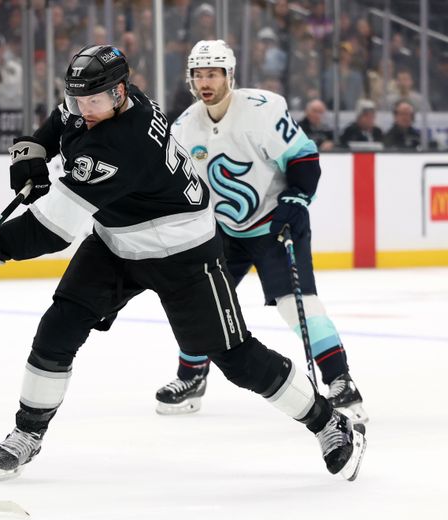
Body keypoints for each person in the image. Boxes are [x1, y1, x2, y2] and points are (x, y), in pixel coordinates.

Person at [0, 45, 366, 484]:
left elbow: (52, 228)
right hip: (116, 243)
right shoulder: (105, 99)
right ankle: (27, 433)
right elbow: (60, 121)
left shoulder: (122, 142)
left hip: (183, 253)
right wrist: (33, 149)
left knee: (237, 359)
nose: (83, 111)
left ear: (120, 93)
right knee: (58, 326)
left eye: (93, 102)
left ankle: (329, 421)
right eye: (77, 99)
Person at [156, 40, 367, 426]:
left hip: (275, 223)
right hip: (224, 231)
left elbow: (303, 157)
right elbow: (179, 187)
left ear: (229, 75)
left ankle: (340, 381)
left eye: (213, 74)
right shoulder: (184, 127)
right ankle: (192, 377)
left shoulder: (262, 110)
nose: (205, 82)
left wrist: (298, 197)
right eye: (199, 74)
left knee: (295, 304)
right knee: (200, 302)